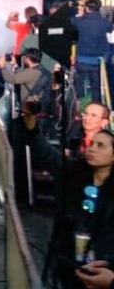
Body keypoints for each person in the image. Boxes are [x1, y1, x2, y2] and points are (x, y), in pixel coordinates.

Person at [23, 104, 114, 288]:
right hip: (69, 265)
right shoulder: (75, 173)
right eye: (92, 144)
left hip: (103, 271)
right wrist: (30, 120)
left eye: (100, 145)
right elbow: (47, 154)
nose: (92, 148)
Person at [73, 0, 113, 102]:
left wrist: (80, 15)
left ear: (86, 7)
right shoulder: (105, 22)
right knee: (96, 88)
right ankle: (96, 107)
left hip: (81, 60)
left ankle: (78, 110)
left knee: (79, 87)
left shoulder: (77, 21)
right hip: (98, 61)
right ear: (99, 8)